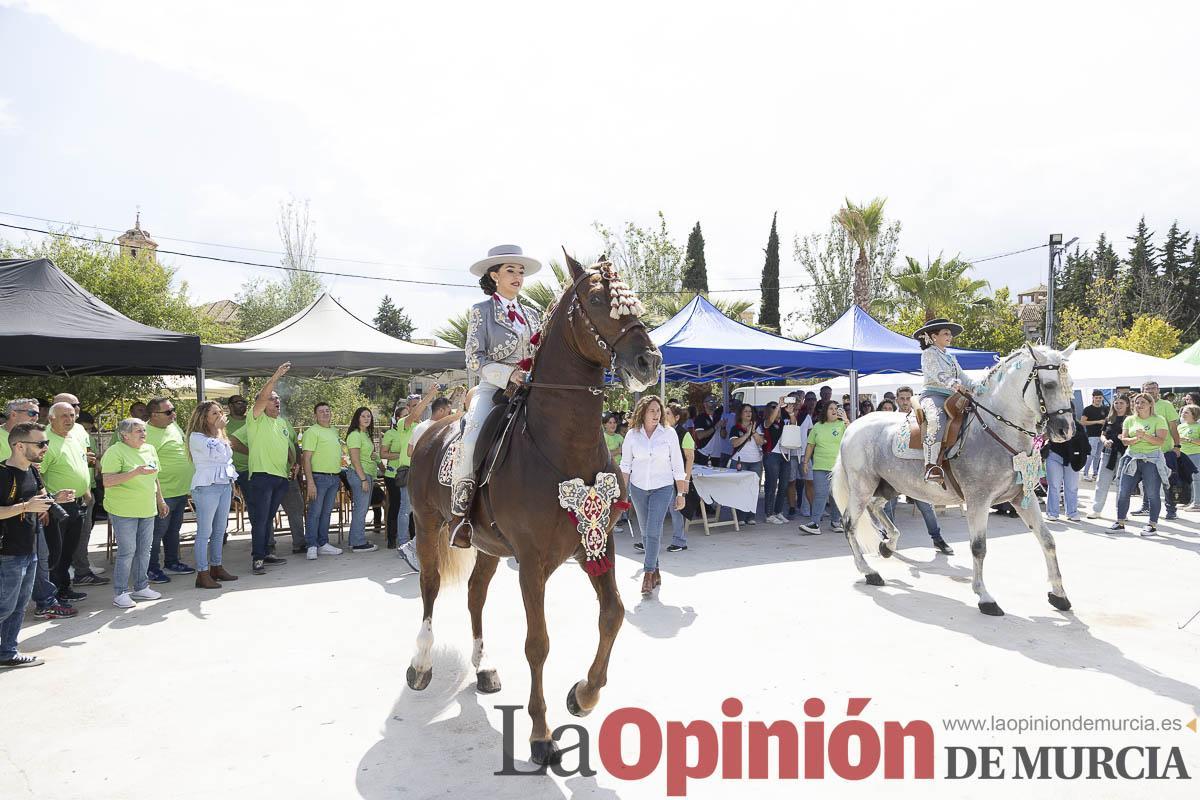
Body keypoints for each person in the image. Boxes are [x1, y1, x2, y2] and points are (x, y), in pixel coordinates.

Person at [452, 244, 544, 548]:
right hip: (494, 389)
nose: (518, 276)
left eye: (521, 271)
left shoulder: (533, 314)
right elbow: (473, 359)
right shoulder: (481, 311)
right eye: (510, 271)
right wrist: (508, 374)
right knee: (470, 438)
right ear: (494, 276)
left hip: (533, 388)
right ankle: (461, 515)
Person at [1, 423, 74, 667]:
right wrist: (25, 507)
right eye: (40, 443)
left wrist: (56, 498)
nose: (45, 447)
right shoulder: (3, 474)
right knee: (4, 607)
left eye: (46, 443)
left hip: (28, 548)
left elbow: (40, 498)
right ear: (19, 446)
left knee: (18, 607)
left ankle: (7, 653)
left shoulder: (32, 470)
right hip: (6, 552)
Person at [620, 396, 687, 595]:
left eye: (659, 410)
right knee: (645, 532)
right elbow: (626, 466)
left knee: (653, 530)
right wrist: (622, 494)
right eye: (652, 410)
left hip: (662, 487)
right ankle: (656, 571)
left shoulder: (669, 433)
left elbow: (678, 465)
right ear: (643, 412)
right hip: (638, 488)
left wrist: (681, 493)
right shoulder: (632, 435)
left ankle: (648, 574)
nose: (656, 414)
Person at [101, 418, 167, 608]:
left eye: (144, 430)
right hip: (123, 510)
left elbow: (155, 477)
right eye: (138, 431)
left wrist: (160, 500)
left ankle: (141, 587)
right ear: (125, 435)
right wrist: (135, 472)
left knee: (144, 550)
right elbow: (108, 481)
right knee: (127, 551)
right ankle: (120, 592)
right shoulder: (115, 451)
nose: (143, 434)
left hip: (147, 508)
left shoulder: (150, 449)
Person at [913, 318, 978, 483]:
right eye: (946, 333)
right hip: (932, 395)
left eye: (950, 334)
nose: (950, 336)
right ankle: (931, 466)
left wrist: (980, 386)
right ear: (934, 337)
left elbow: (964, 377)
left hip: (953, 398)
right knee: (936, 419)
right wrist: (954, 384)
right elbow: (938, 374)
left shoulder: (950, 357)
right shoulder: (929, 353)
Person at [41, 403, 92, 605]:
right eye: (63, 416)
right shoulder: (45, 441)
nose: (69, 419)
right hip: (58, 507)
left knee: (68, 551)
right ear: (51, 418)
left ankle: (63, 589)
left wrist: (86, 491)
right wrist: (50, 500)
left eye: (71, 415)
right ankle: (52, 596)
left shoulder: (73, 436)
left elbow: (79, 465)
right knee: (56, 554)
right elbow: (37, 474)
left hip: (76, 503)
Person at [245, 362, 294, 575]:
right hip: (262, 476)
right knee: (260, 519)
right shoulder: (255, 418)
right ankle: (257, 558)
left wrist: (292, 465)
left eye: (278, 398)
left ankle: (265, 552)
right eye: (272, 399)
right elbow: (263, 397)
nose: (277, 401)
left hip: (280, 478)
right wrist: (275, 377)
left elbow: (286, 448)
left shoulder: (281, 423)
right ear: (262, 403)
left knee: (267, 519)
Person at [186, 401, 239, 588]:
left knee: (219, 530)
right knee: (204, 531)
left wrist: (232, 485)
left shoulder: (219, 435)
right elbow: (215, 453)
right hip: (206, 486)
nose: (219, 416)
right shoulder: (196, 437)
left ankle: (216, 566)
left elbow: (226, 459)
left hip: (223, 484)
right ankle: (202, 572)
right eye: (214, 413)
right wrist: (218, 430)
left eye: (220, 412)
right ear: (204, 417)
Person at [145, 397, 195, 583]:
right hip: (163, 493)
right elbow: (147, 466)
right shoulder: (145, 433)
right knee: (156, 533)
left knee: (173, 530)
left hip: (179, 490)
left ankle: (172, 562)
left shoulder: (172, 425)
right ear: (153, 415)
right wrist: (158, 497)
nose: (173, 414)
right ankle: (151, 569)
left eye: (173, 410)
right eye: (168, 412)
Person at [1108, 392, 1169, 537]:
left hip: (1151, 460)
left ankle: (1152, 525)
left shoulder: (1159, 419)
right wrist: (1136, 439)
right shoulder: (1129, 419)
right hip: (1132, 458)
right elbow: (1124, 440)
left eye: (1142, 402)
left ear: (1150, 404)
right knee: (1123, 491)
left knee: (1152, 493)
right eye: (1136, 402)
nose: (1139, 405)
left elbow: (1160, 441)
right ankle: (1120, 522)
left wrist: (1144, 436)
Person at [381, 390, 434, 551]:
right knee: (405, 509)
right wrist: (431, 394)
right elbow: (416, 414)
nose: (418, 408)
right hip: (408, 471)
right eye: (414, 406)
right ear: (409, 408)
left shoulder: (423, 425)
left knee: (421, 509)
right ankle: (403, 543)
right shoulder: (403, 422)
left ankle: (418, 541)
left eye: (419, 405)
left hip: (423, 472)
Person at [299, 402, 345, 561]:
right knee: (315, 513)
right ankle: (312, 545)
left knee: (326, 513)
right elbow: (306, 459)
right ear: (315, 415)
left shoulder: (334, 431)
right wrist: (310, 482)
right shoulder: (312, 432)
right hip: (318, 478)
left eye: (327, 410)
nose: (325, 413)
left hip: (334, 477)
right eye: (321, 411)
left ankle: (323, 543)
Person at [1133, 381, 1181, 520]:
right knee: (1147, 481)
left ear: (1158, 390)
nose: (1150, 391)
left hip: (1165, 450)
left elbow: (1173, 427)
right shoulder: (1139, 405)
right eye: (1147, 389)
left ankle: (1171, 510)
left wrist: (1177, 446)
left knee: (1169, 481)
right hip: (1146, 451)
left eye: (1153, 388)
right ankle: (1146, 507)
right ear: (1142, 390)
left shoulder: (1166, 405)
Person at [799, 400, 846, 535]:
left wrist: (846, 419)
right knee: (820, 494)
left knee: (836, 495)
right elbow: (810, 445)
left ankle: (835, 522)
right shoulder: (817, 426)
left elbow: (853, 435)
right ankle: (815, 523)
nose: (834, 411)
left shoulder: (843, 425)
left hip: (838, 467)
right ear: (825, 411)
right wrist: (805, 462)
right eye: (831, 408)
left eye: (836, 408)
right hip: (820, 466)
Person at [344, 406, 381, 553]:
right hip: (360, 475)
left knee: (362, 509)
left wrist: (373, 457)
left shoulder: (365, 434)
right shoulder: (355, 435)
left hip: (366, 474)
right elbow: (355, 460)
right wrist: (363, 479)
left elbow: (366, 454)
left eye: (369, 416)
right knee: (361, 509)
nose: (367, 419)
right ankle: (358, 543)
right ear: (357, 418)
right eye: (363, 416)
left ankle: (355, 540)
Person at [1087, 394, 1130, 519]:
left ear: (1127, 404)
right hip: (1108, 453)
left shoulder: (1131, 419)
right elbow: (1102, 434)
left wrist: (1125, 438)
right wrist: (1105, 441)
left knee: (1122, 485)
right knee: (1102, 482)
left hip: (1124, 454)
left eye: (1121, 403)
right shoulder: (1109, 419)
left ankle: (1121, 512)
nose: (1118, 405)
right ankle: (1096, 510)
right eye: (1116, 403)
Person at [1043, 414, 1090, 522]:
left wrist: (1081, 458)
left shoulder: (1077, 425)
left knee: (1072, 487)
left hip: (1072, 458)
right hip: (1054, 455)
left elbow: (1085, 444)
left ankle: (1072, 512)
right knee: (1054, 485)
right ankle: (1052, 512)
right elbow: (1043, 436)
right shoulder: (1052, 423)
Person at [664, 403, 694, 552]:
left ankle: (680, 541)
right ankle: (649, 540)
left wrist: (686, 480)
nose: (664, 416)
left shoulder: (684, 434)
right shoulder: (661, 431)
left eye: (668, 413)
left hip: (676, 478)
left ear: (676, 417)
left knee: (675, 508)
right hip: (663, 476)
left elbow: (690, 458)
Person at [728, 403, 764, 525]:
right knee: (740, 489)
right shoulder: (735, 428)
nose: (749, 413)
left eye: (750, 411)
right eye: (746, 411)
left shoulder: (757, 427)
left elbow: (761, 442)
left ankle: (751, 515)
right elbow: (735, 443)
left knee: (754, 489)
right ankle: (740, 517)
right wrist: (747, 434)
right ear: (741, 414)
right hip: (740, 461)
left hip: (756, 462)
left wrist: (753, 432)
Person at [761, 399, 790, 524]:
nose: (776, 409)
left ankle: (778, 511)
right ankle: (769, 514)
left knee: (783, 486)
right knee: (771, 485)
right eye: (773, 407)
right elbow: (770, 421)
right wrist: (778, 405)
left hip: (785, 455)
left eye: (777, 407)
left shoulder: (784, 422)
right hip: (772, 455)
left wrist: (791, 412)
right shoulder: (766, 422)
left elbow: (795, 425)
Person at [225, 394, 253, 522]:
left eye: (244, 402)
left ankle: (258, 533)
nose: (243, 405)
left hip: (249, 469)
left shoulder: (252, 421)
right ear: (230, 406)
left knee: (253, 504)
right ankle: (221, 532)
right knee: (224, 505)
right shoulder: (223, 422)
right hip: (227, 471)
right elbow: (229, 442)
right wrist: (251, 452)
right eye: (239, 402)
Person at [1079, 390, 1109, 481]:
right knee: (1091, 454)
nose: (1098, 399)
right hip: (1092, 435)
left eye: (1100, 398)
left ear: (1102, 398)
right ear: (1093, 398)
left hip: (1102, 435)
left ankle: (1095, 473)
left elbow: (1108, 420)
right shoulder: (1088, 409)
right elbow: (1082, 422)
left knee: (1098, 455)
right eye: (1096, 398)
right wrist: (1098, 422)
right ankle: (1085, 473)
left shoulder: (1105, 408)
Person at [1178, 404, 1200, 511]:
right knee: (1188, 479)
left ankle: (1197, 503)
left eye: (1186, 412)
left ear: (1194, 414)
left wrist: (1188, 439)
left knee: (1196, 478)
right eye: (1183, 412)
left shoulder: (1198, 426)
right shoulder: (1180, 426)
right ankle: (1190, 501)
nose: (1183, 414)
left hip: (1195, 454)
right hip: (1182, 455)